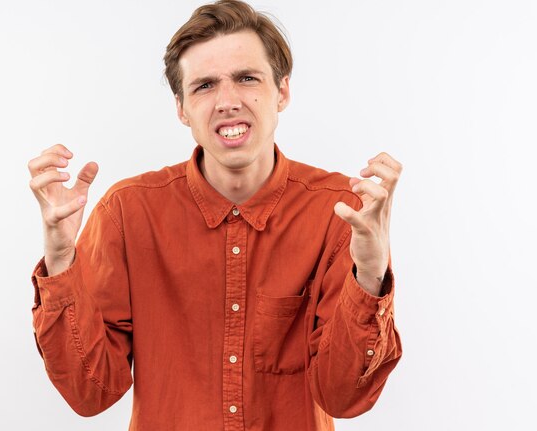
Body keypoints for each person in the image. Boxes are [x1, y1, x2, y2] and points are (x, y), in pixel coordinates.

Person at [27, 1, 402, 430]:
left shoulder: (338, 209)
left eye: (246, 78)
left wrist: (370, 274)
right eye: (204, 85)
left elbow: (345, 397)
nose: (227, 101)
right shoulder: (127, 213)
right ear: (182, 108)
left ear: (281, 91)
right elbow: (90, 392)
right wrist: (59, 260)